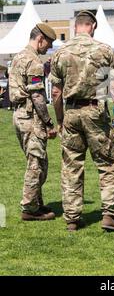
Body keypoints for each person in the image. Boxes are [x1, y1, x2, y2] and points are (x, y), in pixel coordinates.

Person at [50, 10, 114, 232]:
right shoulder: (105, 50)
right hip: (96, 112)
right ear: (93, 26)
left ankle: (72, 218)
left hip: (71, 112)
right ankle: (110, 216)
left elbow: (55, 93)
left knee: (71, 166)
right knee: (107, 164)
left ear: (76, 27)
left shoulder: (60, 52)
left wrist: (60, 119)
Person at [9, 23, 57, 221]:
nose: (49, 48)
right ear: (40, 39)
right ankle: (29, 208)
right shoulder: (34, 61)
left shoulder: (19, 57)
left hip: (19, 115)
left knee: (35, 160)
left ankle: (36, 202)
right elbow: (37, 95)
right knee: (37, 163)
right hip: (31, 117)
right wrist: (48, 122)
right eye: (49, 44)